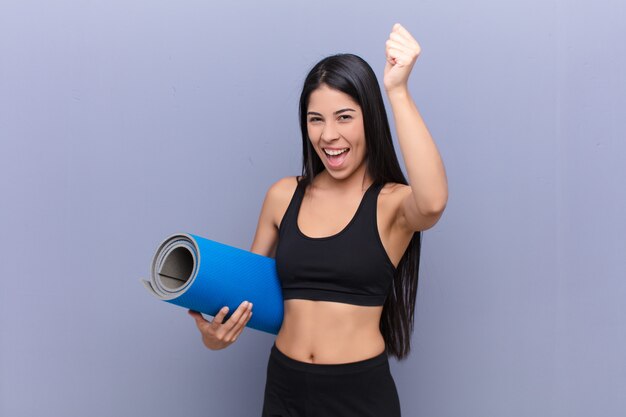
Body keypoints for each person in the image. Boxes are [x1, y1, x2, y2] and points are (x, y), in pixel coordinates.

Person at [188, 23, 448, 417]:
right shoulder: (282, 195)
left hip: (359, 395)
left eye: (345, 117)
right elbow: (244, 296)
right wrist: (215, 338)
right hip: (284, 389)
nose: (329, 135)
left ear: (370, 119)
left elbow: (432, 203)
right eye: (315, 119)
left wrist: (397, 89)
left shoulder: (391, 203)